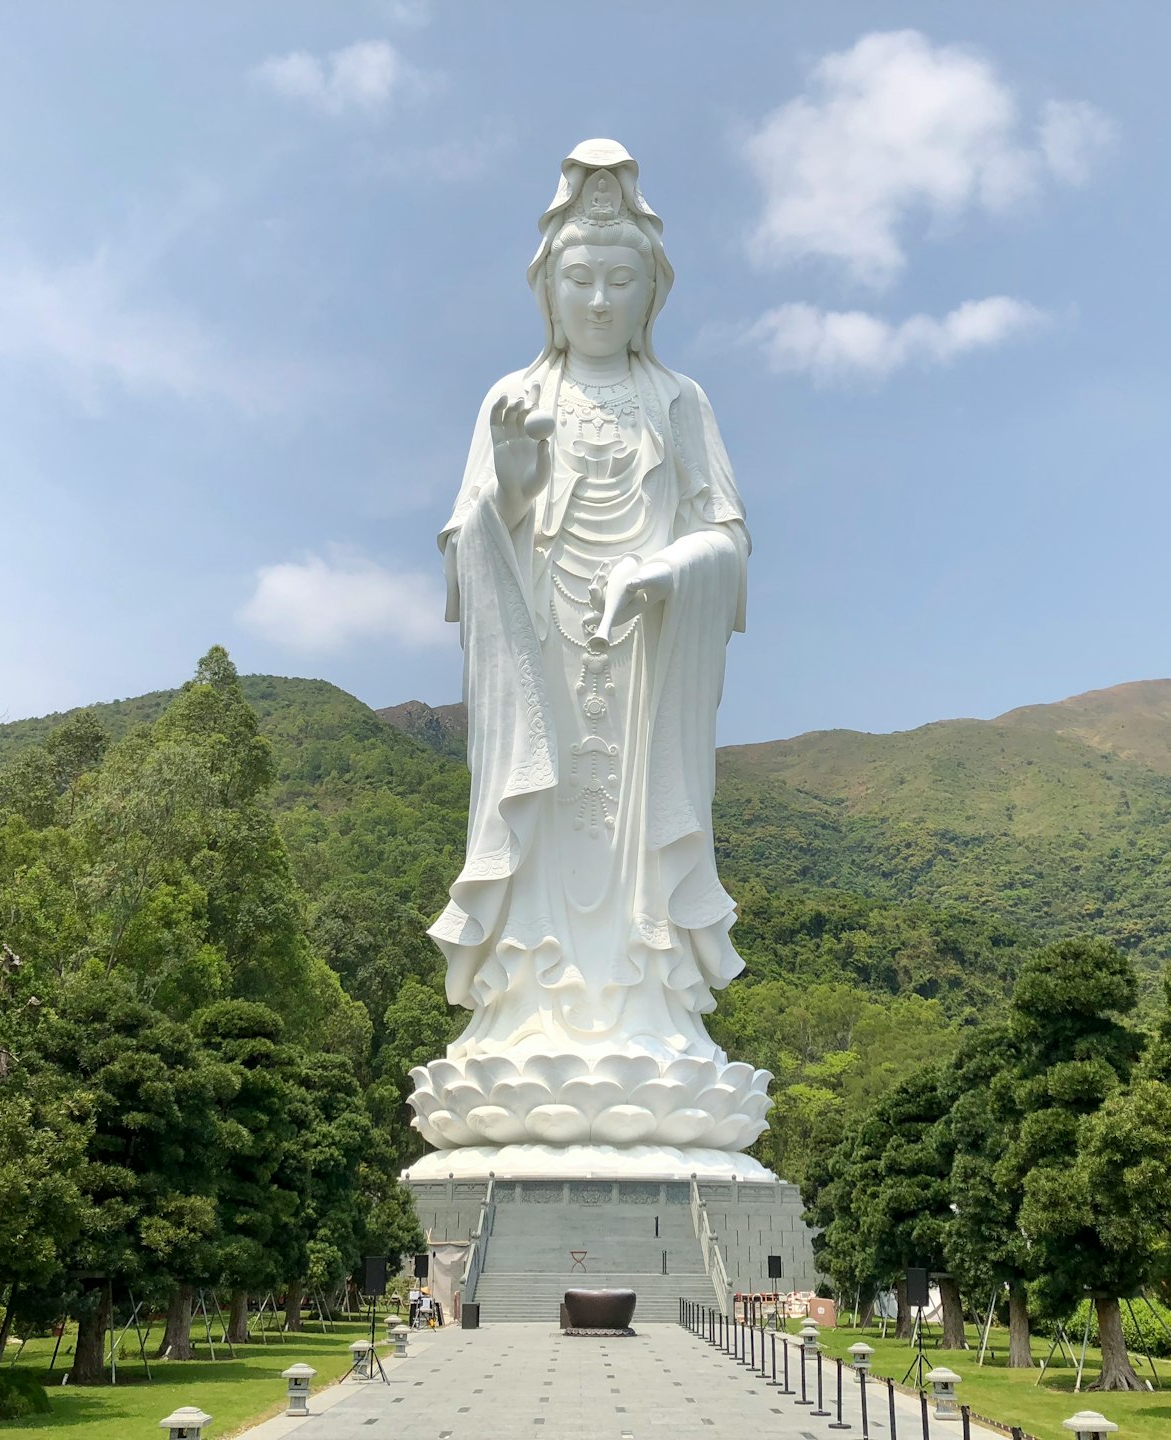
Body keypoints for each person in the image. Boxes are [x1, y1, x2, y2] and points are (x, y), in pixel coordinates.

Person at [409, 139, 767, 1158]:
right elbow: (466, 549)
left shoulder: (679, 401)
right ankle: (526, 1015)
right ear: (548, 289)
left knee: (636, 849)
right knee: (542, 820)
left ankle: (651, 1018)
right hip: (545, 667)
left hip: (647, 674)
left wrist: (666, 572)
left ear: (652, 292)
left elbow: (729, 544)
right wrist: (515, 481)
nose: (601, 301)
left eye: (621, 281)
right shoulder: (509, 398)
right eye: (581, 280)